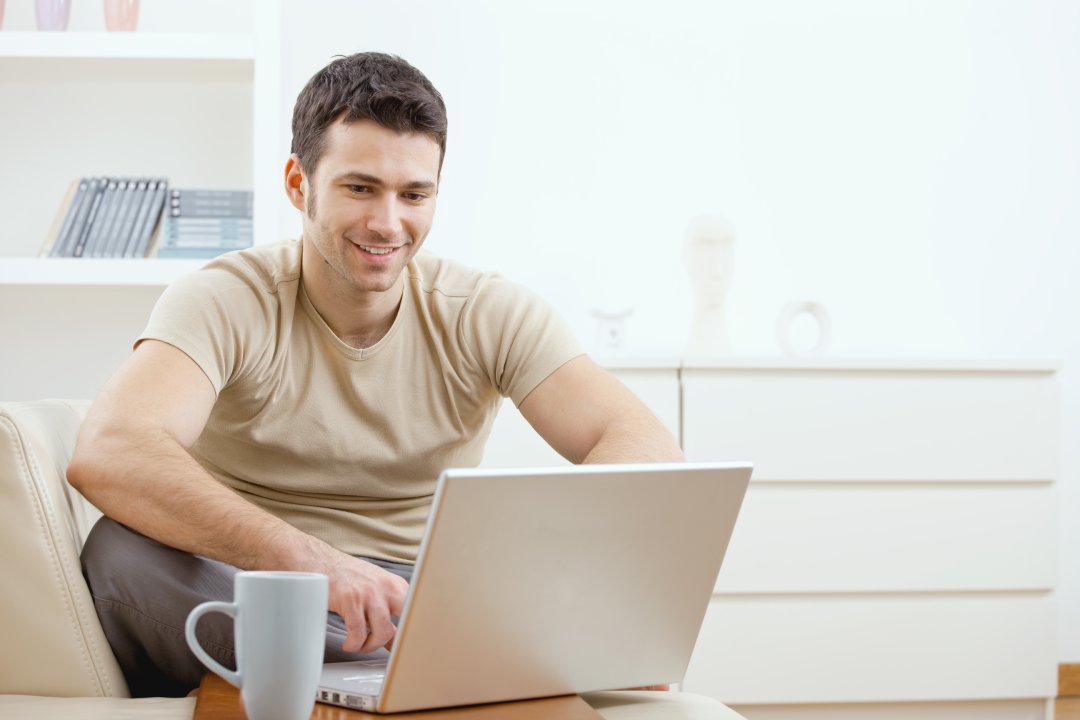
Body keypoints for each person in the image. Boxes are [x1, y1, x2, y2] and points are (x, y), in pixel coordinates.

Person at [70, 52, 683, 697]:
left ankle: (392, 661)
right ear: (298, 183)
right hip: (260, 586)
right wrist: (314, 565)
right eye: (360, 188)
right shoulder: (225, 299)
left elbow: (643, 445)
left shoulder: (486, 312)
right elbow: (110, 450)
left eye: (414, 194)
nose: (388, 223)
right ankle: (448, 666)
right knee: (120, 555)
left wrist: (540, 573)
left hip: (428, 594)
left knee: (500, 602)